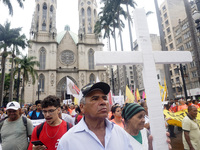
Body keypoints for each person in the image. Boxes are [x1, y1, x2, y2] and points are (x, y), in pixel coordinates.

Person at [58, 82, 133, 150]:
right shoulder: (67, 141)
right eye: (95, 99)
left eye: (104, 98)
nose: (103, 102)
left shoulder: (120, 133)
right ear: (82, 107)